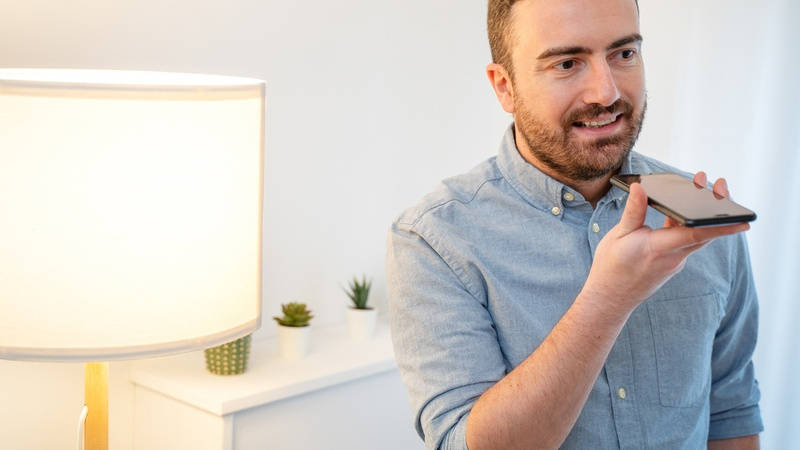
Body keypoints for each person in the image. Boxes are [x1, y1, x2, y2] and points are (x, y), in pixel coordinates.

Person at [386, 0, 763, 449]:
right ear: (504, 87)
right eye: (567, 63)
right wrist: (608, 299)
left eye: (623, 54)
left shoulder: (700, 218)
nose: (605, 93)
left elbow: (731, 408)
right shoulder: (434, 240)